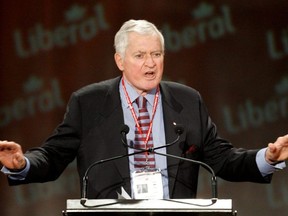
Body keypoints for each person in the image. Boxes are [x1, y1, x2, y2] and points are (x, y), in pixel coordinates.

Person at [0, 19, 288, 199]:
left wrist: (267, 157)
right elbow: (53, 156)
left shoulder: (187, 100)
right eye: (139, 55)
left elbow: (222, 159)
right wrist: (22, 164)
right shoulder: (88, 102)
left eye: (156, 54)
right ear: (119, 60)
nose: (151, 64)